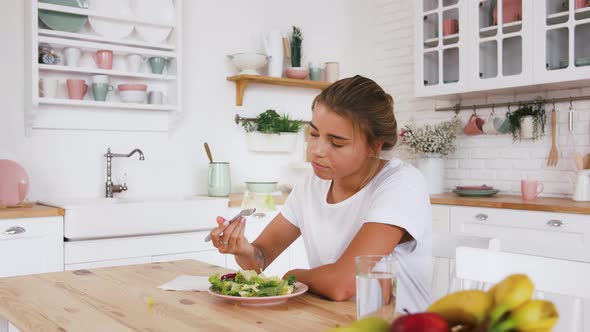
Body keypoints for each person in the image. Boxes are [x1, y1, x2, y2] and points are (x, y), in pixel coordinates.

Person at [208, 75, 432, 312]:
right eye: (314, 135)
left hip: (401, 325)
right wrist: (242, 248)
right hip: (335, 321)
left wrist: (292, 276)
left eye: (336, 143)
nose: (316, 151)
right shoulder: (312, 183)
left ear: (374, 146)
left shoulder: (401, 184)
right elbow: (260, 258)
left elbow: (343, 284)